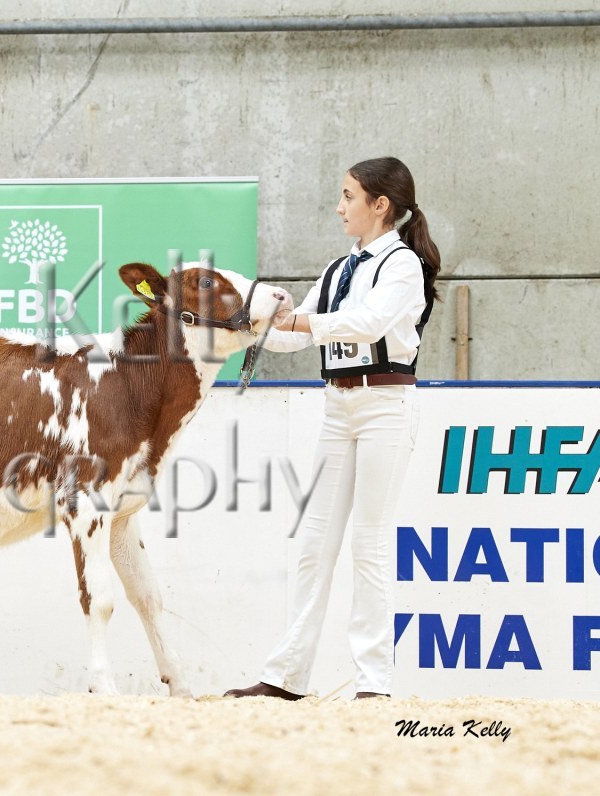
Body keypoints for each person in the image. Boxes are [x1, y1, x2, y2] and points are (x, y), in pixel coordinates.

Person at [225, 156, 440, 701]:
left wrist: (300, 320)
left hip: (385, 404)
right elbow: (298, 335)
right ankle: (287, 677)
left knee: (370, 543)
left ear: (380, 205)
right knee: (314, 542)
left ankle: (373, 683)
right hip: (337, 405)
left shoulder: (402, 265)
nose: (339, 207)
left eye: (348, 196)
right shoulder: (339, 267)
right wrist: (246, 327)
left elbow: (368, 323)